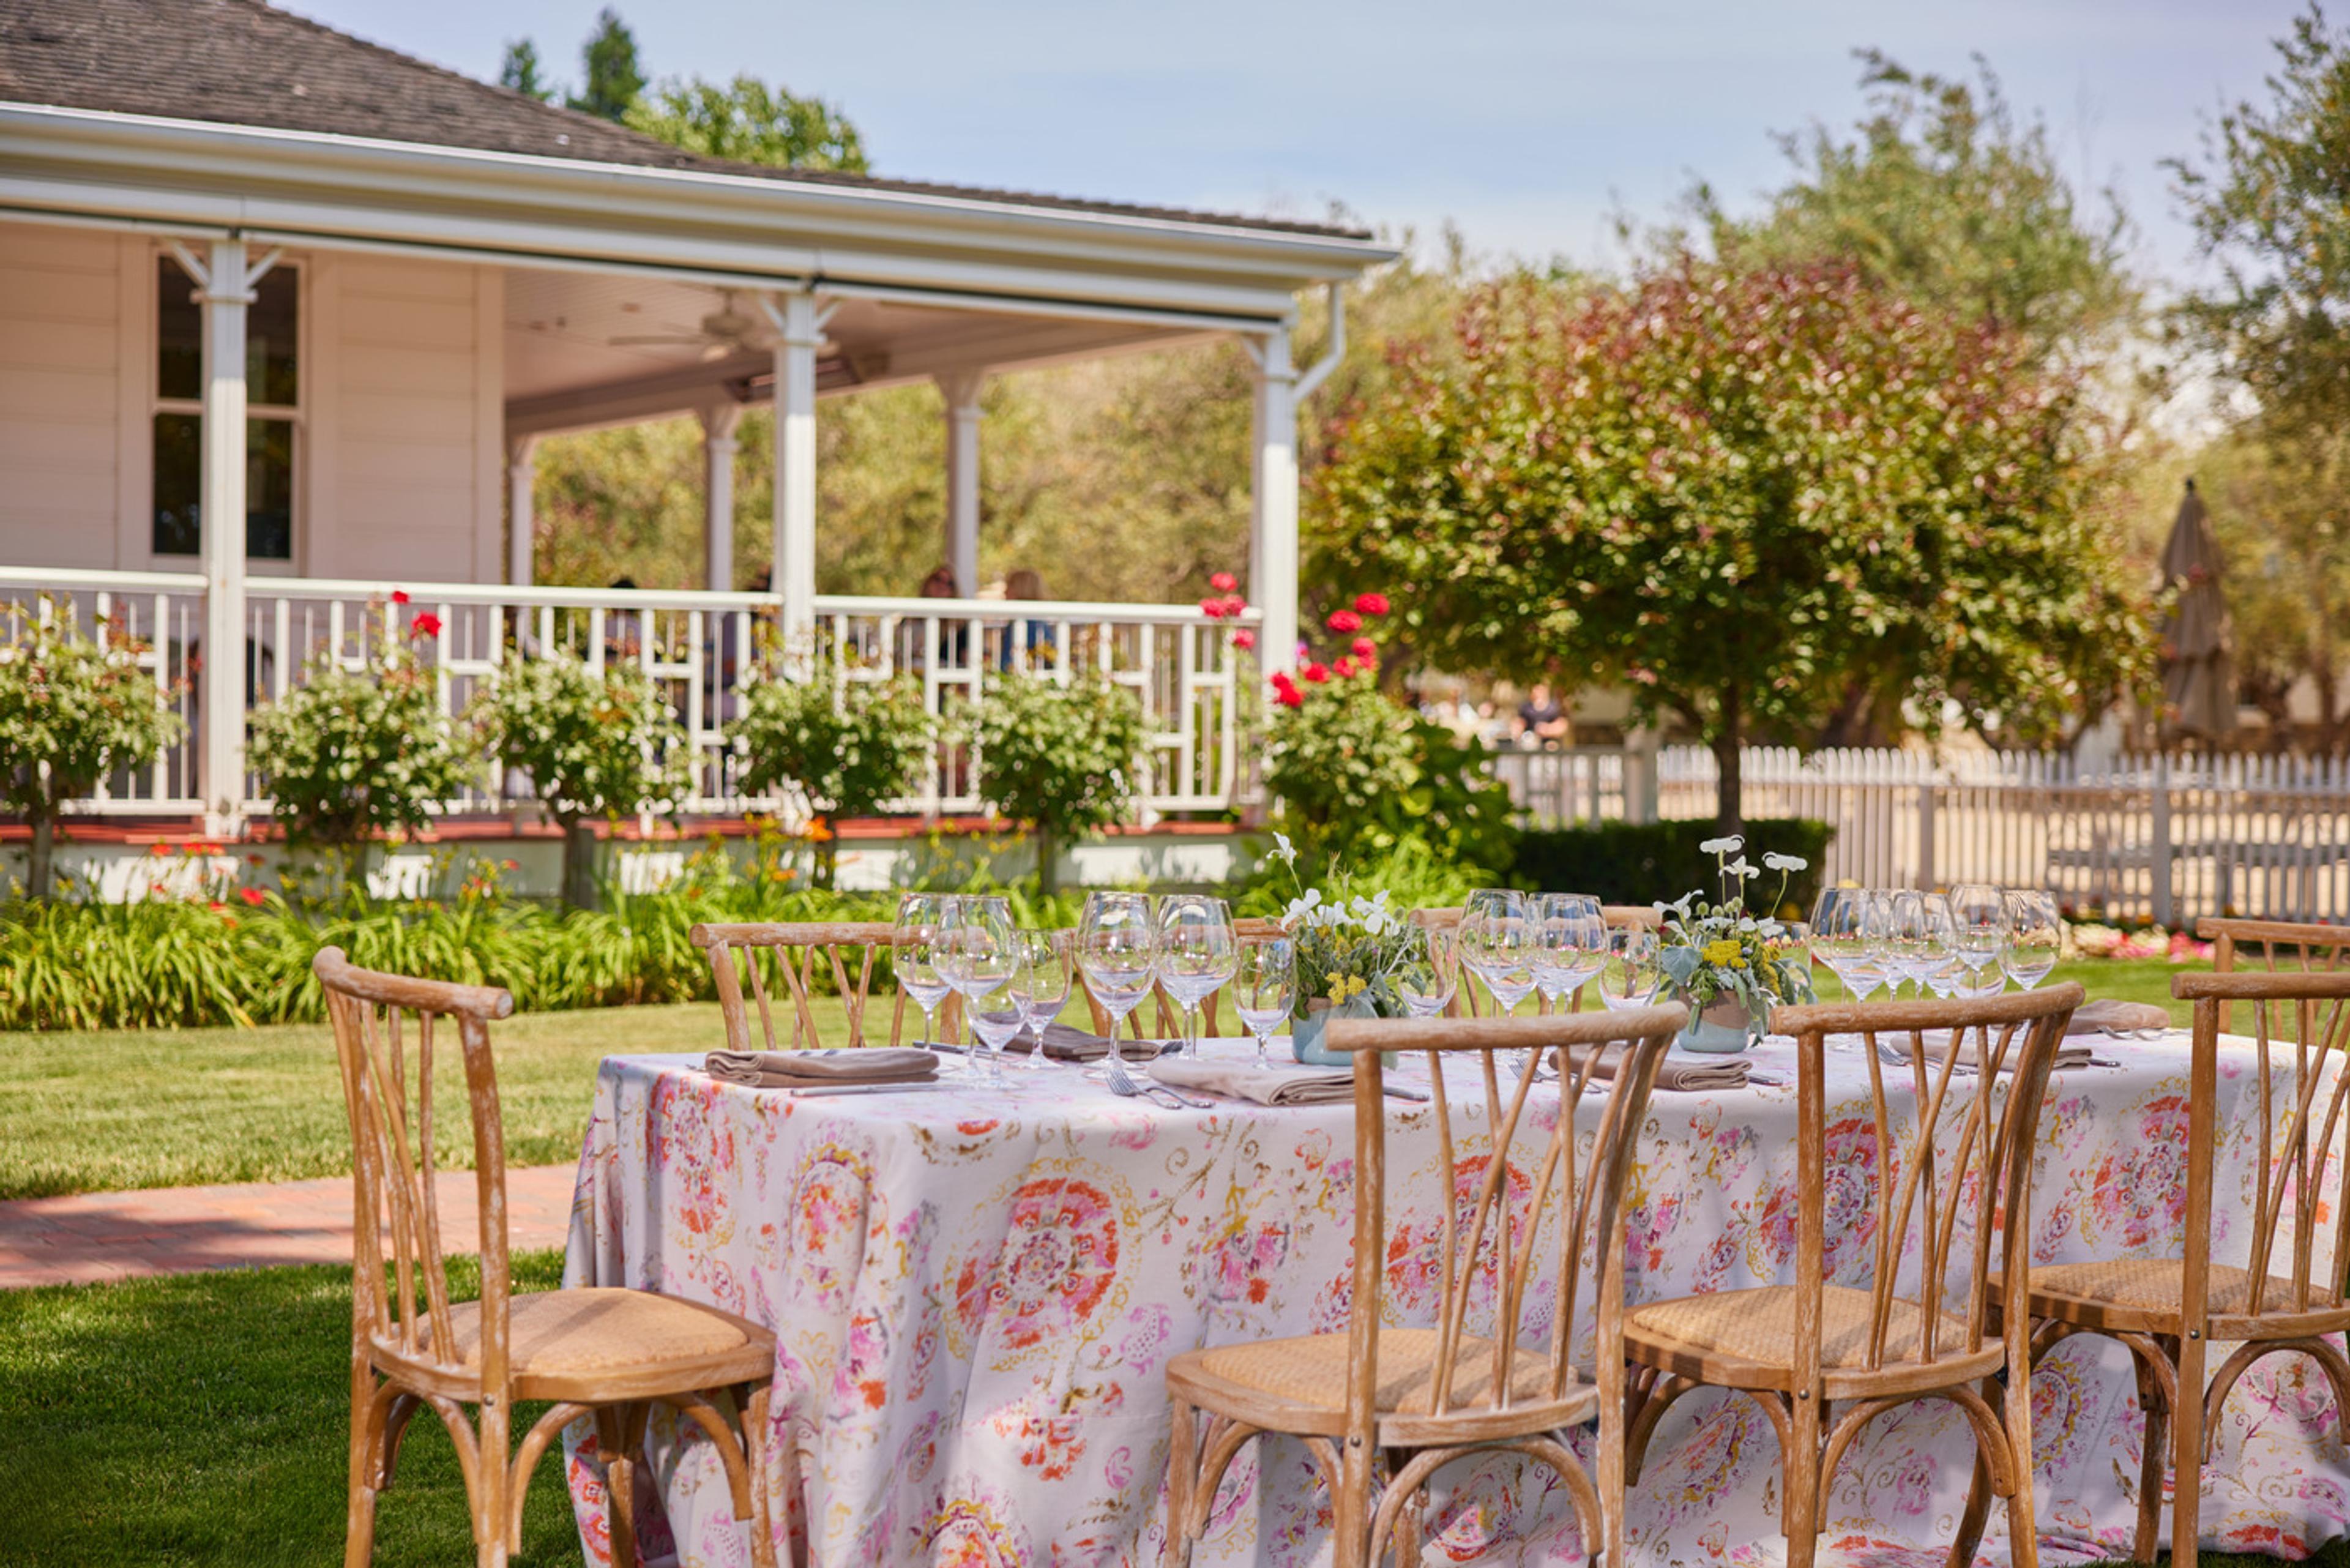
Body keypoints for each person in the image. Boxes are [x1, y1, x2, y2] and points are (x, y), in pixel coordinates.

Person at [998, 567, 1053, 670]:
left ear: (1020, 589)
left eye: (1009, 587)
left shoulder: (1026, 624)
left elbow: (1007, 665)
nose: (1005, 593)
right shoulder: (1039, 622)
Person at [1514, 681, 1571, 747]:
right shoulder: (1526, 708)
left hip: (1550, 743)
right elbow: (1519, 723)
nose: (1537, 692)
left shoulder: (1554, 707)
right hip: (1531, 743)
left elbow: (1562, 726)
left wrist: (1547, 730)